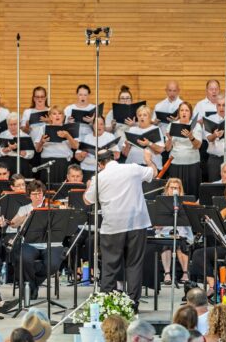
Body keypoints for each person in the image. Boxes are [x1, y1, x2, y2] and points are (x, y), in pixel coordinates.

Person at [84, 149, 157, 311]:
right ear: (114, 157)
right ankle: (132, 304)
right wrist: (148, 160)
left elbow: (87, 200)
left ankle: (106, 305)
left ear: (99, 164)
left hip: (113, 226)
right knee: (134, 265)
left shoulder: (99, 177)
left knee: (109, 266)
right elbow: (154, 173)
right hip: (136, 223)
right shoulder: (132, 168)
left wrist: (90, 185)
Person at [9, 180, 65, 299]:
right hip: (30, 244)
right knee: (23, 258)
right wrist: (27, 215)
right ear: (29, 195)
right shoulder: (24, 209)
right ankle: (31, 286)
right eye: (34, 194)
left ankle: (31, 284)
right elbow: (13, 224)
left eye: (40, 193)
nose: (38, 196)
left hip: (51, 244)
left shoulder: (51, 207)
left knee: (53, 264)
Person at [157, 179, 192, 284]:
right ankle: (167, 274)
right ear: (167, 189)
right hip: (165, 231)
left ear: (180, 189)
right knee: (166, 245)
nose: (173, 190)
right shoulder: (161, 202)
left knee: (180, 245)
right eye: (171, 188)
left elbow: (189, 220)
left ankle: (185, 273)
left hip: (181, 231)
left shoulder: (185, 201)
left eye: (176, 188)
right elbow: (156, 224)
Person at [165, 101, 202, 197]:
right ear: (178, 113)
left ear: (190, 113)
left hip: (192, 163)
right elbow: (168, 148)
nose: (184, 113)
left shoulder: (196, 126)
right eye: (182, 110)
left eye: (186, 110)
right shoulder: (171, 125)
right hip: (175, 163)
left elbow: (198, 145)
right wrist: (169, 140)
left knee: (191, 191)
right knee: (175, 191)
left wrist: (191, 137)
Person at [34, 106, 79, 184]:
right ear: (50, 117)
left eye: (60, 113)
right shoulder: (43, 128)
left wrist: (68, 136)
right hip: (47, 162)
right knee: (48, 188)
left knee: (63, 189)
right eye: (54, 114)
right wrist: (42, 141)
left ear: (63, 116)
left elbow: (76, 146)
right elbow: (38, 150)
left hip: (64, 162)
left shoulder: (69, 128)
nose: (57, 116)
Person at [75, 116, 120, 181]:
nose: (99, 126)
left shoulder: (110, 137)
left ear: (104, 125)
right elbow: (77, 157)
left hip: (105, 170)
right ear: (93, 125)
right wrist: (82, 154)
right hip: (87, 170)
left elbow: (117, 155)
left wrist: (107, 153)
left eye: (101, 124)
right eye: (96, 124)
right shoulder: (86, 137)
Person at [123, 105, 165, 171]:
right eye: (139, 115)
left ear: (150, 117)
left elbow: (160, 149)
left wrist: (149, 143)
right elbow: (125, 153)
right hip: (133, 166)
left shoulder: (155, 129)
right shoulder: (132, 130)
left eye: (145, 115)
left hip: (150, 167)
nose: (142, 117)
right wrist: (127, 145)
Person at [0, 113, 34, 178]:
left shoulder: (25, 136)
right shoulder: (3, 135)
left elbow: (31, 153)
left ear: (19, 124)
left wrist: (19, 151)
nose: (12, 127)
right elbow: (0, 151)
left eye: (15, 124)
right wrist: (9, 148)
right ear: (7, 124)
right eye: (10, 125)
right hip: (5, 162)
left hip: (21, 162)